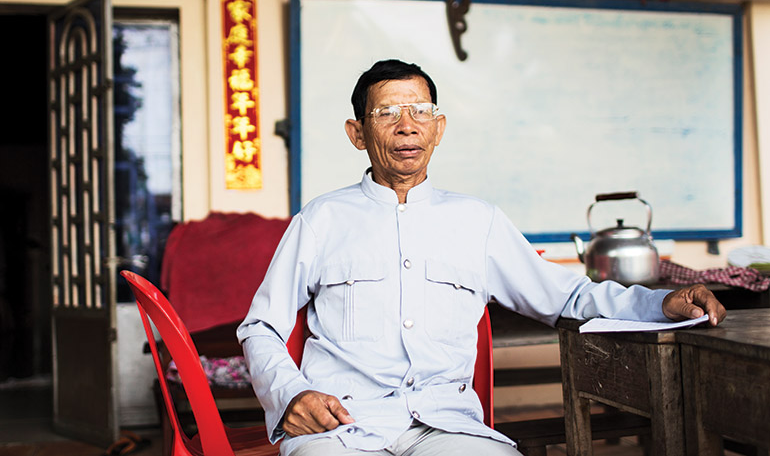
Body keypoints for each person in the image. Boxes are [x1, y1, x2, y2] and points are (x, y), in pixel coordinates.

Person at [237, 59, 726, 456]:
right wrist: (290, 396)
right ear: (357, 133)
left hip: (446, 427)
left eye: (421, 111)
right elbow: (260, 326)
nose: (407, 126)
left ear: (439, 127)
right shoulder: (321, 219)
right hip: (341, 428)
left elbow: (568, 297)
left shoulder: (478, 220)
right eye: (387, 113)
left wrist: (658, 304)